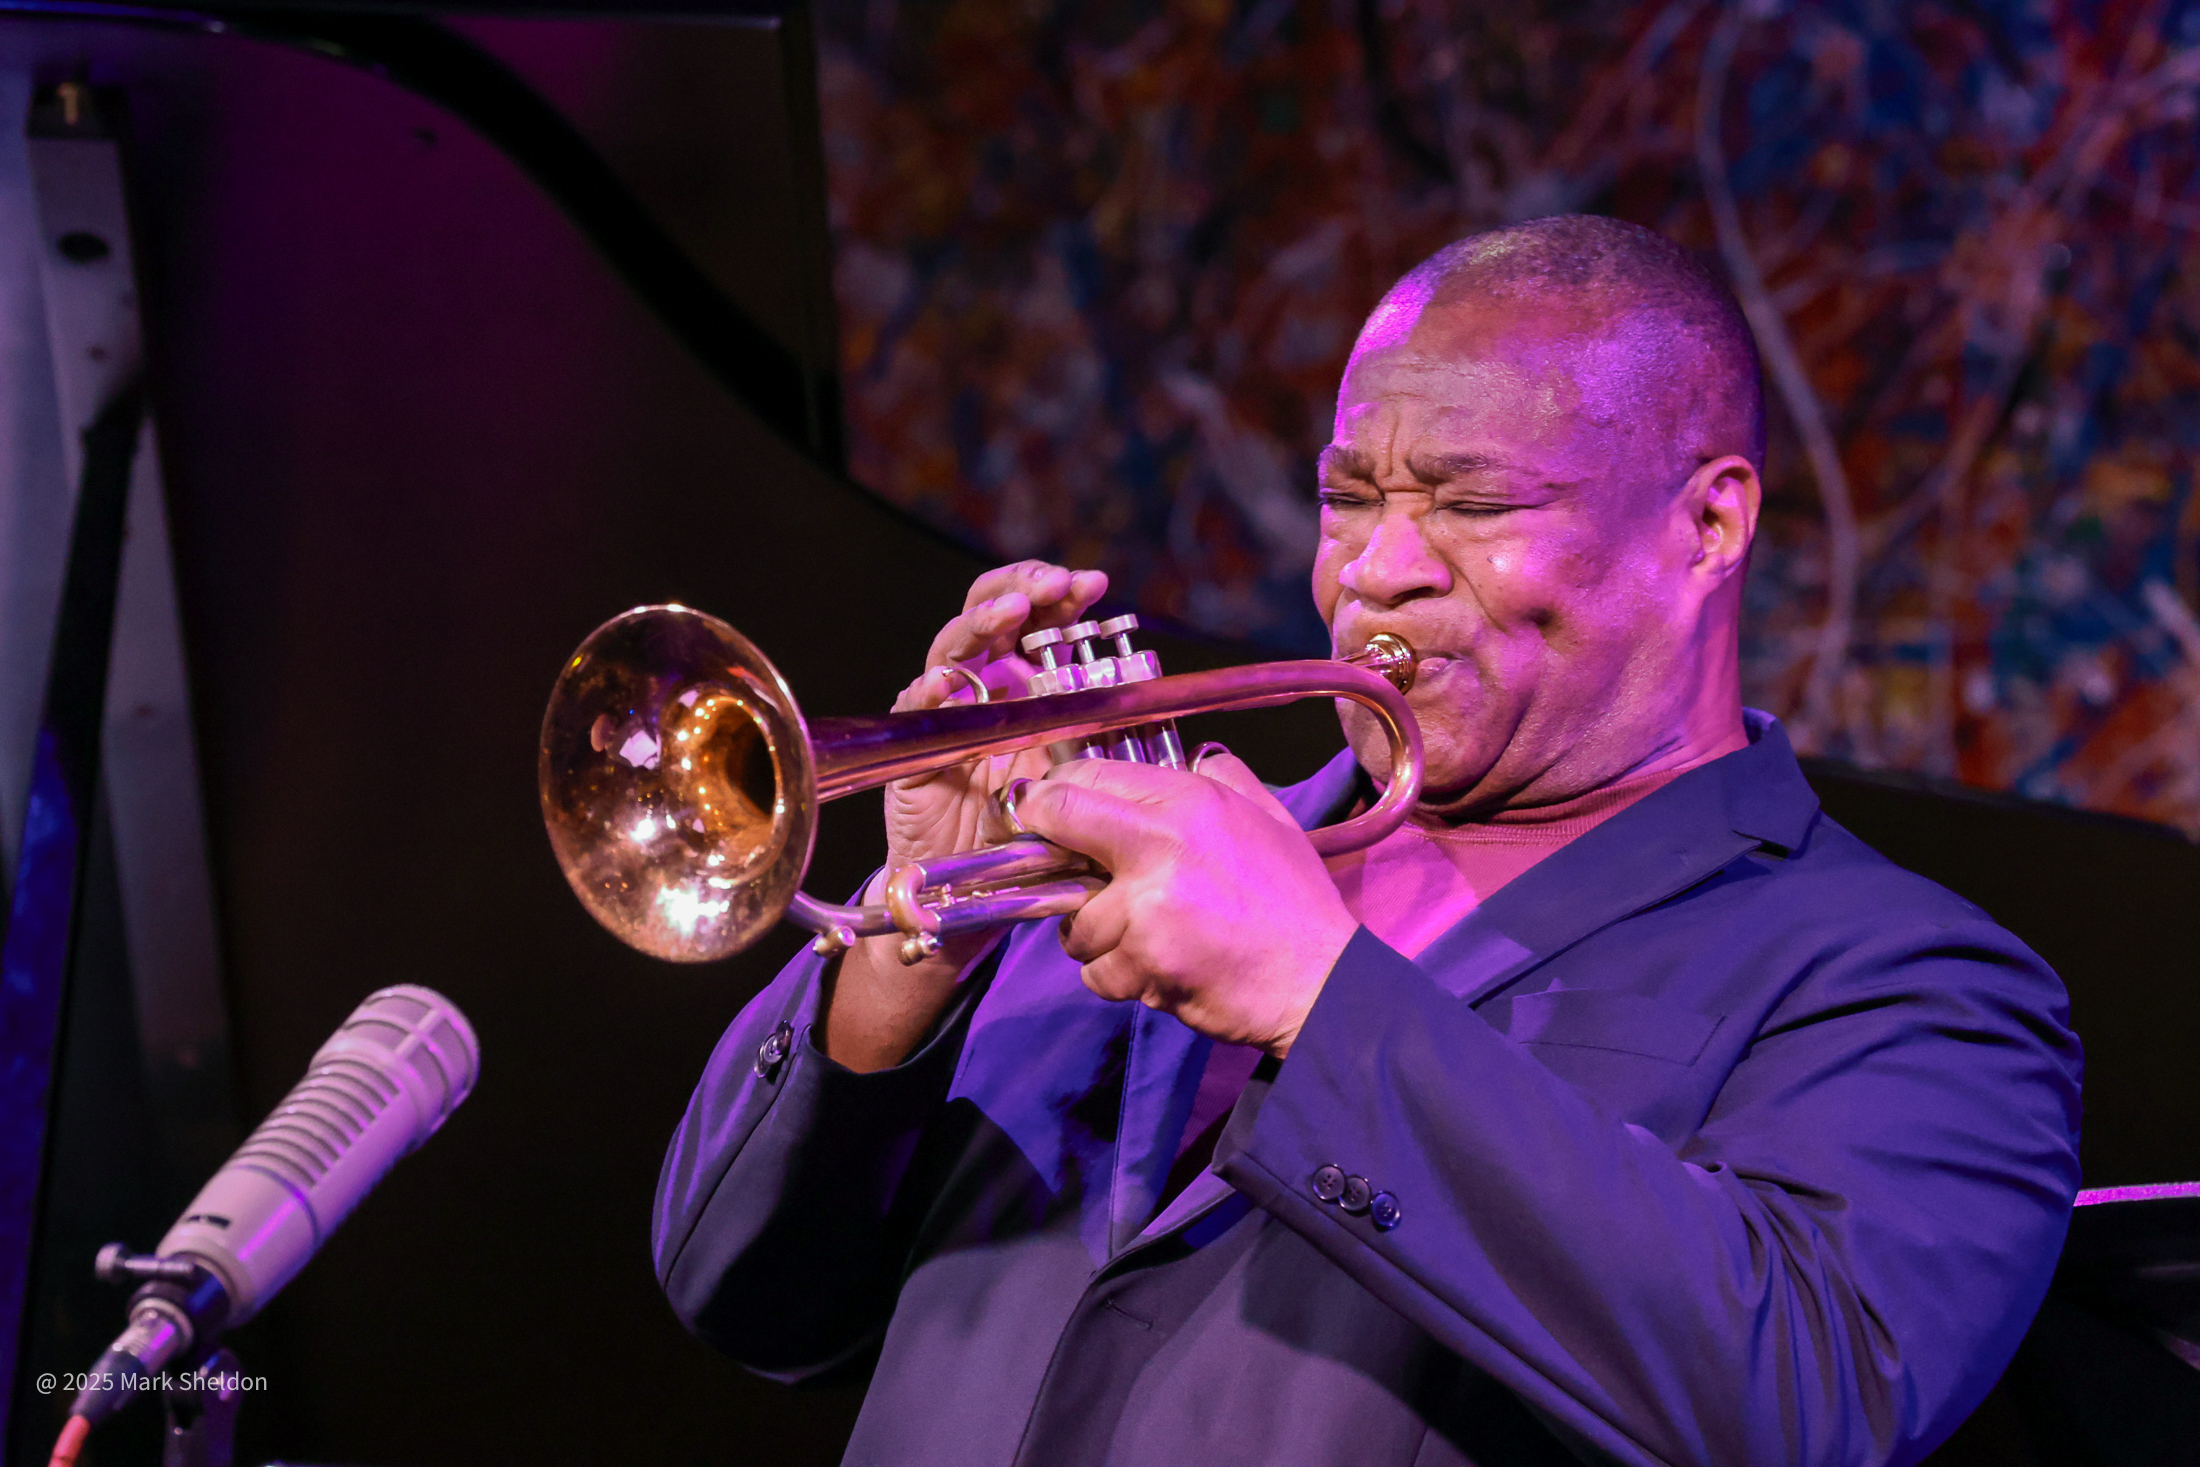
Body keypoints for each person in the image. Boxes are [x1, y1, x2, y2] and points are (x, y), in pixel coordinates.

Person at [651, 215, 2082, 1467]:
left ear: (1708, 523)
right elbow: (747, 1300)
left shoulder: (1918, 987)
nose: (1375, 569)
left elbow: (1810, 1399)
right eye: (1351, 498)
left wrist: (1317, 995)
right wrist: (915, 943)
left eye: (1473, 503)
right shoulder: (1148, 862)